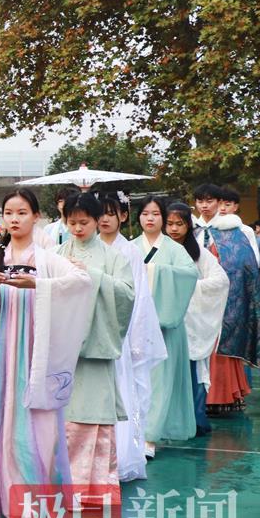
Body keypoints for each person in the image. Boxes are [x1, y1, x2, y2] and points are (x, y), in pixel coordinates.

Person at [0, 188, 93, 518]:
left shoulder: (49, 258)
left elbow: (81, 283)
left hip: (31, 359)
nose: (14, 219)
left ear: (36, 216)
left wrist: (39, 284)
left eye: (22, 212)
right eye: (9, 212)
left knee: (29, 431)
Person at [54, 194, 134, 497]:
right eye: (71, 222)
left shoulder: (114, 258)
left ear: (97, 221)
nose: (77, 228)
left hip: (96, 353)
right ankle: (65, 487)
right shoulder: (58, 253)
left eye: (83, 222)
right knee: (65, 422)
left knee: (95, 423)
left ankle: (95, 490)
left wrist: (93, 276)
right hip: (65, 353)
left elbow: (127, 295)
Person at [97, 196, 165, 482]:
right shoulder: (89, 247)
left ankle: (122, 456)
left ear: (123, 217)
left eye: (112, 214)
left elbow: (139, 299)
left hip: (120, 332)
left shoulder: (130, 252)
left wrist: (135, 340)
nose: (106, 219)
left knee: (124, 391)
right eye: (100, 214)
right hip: (92, 331)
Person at [133, 197, 198, 457]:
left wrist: (154, 272)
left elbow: (189, 275)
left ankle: (150, 436)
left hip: (165, 327)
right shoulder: (129, 247)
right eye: (145, 213)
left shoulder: (174, 249)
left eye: (155, 214)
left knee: (161, 381)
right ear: (137, 217)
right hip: (135, 326)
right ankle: (134, 435)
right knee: (137, 381)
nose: (150, 219)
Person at [196, 184, 260, 414]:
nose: (205, 205)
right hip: (196, 299)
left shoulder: (236, 230)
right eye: (200, 201)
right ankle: (197, 396)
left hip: (228, 298)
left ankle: (222, 394)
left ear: (219, 202)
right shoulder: (191, 229)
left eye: (210, 200)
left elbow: (249, 264)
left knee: (222, 345)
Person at [166, 203, 230, 435]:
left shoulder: (200, 254)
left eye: (179, 224)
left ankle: (195, 419)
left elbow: (220, 281)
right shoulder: (157, 250)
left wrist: (189, 288)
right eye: (170, 223)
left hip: (191, 324)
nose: (174, 229)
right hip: (162, 323)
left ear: (188, 226)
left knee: (193, 372)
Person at [216, 187, 260, 261]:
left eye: (227, 205)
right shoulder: (208, 229)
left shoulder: (246, 231)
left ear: (235, 207)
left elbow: (254, 257)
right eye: (219, 204)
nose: (222, 208)